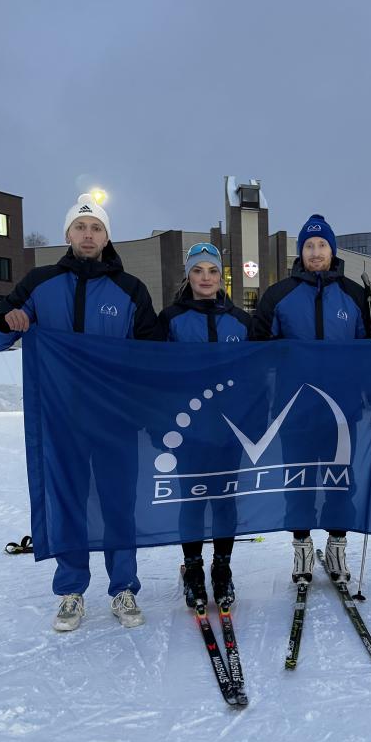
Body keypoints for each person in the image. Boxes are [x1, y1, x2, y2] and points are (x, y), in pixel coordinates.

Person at [0, 193, 160, 632]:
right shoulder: (41, 282)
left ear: (106, 236)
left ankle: (123, 588)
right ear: (67, 234)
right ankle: (72, 590)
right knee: (69, 503)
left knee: (119, 504)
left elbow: (154, 354)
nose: (88, 234)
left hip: (115, 420)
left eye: (96, 228)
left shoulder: (129, 289)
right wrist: (10, 321)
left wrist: (142, 406)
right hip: (61, 418)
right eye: (80, 228)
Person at [251, 213, 371, 583]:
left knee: (341, 482)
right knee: (300, 483)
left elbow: (368, 352)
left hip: (343, 411)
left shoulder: (355, 294)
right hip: (296, 411)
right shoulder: (279, 295)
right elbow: (257, 351)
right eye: (309, 245)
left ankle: (337, 548)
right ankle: (302, 550)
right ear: (300, 251)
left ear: (332, 249)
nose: (316, 251)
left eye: (322, 244)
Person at [158, 242, 251, 610]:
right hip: (189, 432)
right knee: (193, 501)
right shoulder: (171, 320)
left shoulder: (241, 322)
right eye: (198, 271)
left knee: (225, 500)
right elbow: (155, 373)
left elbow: (258, 375)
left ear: (222, 276)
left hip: (231, 430)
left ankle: (222, 567)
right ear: (188, 275)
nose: (206, 278)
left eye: (212, 271)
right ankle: (193, 568)